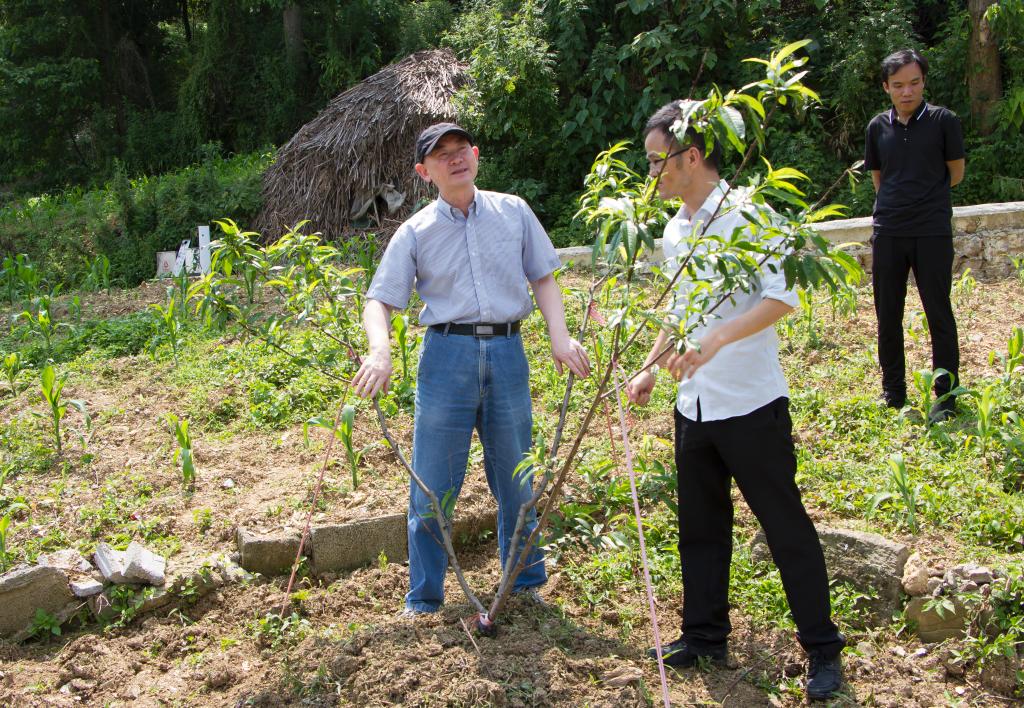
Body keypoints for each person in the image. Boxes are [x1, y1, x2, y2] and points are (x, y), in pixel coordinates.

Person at [626, 101, 845, 700]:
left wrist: (716, 340)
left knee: (784, 526)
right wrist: (649, 366)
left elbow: (782, 299)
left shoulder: (749, 215)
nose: (652, 174)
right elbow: (677, 309)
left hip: (750, 404)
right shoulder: (675, 230)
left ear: (692, 156)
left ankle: (823, 649)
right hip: (694, 405)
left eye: (657, 161)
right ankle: (704, 637)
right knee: (699, 527)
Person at [353, 122, 590, 615]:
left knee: (517, 477)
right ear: (424, 172)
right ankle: (425, 599)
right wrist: (380, 351)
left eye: (461, 149)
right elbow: (379, 300)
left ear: (476, 155)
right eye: (442, 155)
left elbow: (544, 279)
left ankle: (524, 585)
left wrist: (560, 336)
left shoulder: (514, 212)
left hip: (508, 352)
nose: (455, 158)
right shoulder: (415, 231)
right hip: (447, 357)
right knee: (433, 485)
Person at [864, 48, 965, 422]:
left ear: (923, 82)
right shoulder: (877, 127)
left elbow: (955, 173)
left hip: (931, 231)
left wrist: (924, 200)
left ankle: (947, 396)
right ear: (886, 87)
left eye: (914, 83)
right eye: (898, 85)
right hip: (889, 231)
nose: (907, 92)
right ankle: (893, 393)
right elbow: (879, 179)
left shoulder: (943, 121)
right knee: (887, 315)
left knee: (939, 314)